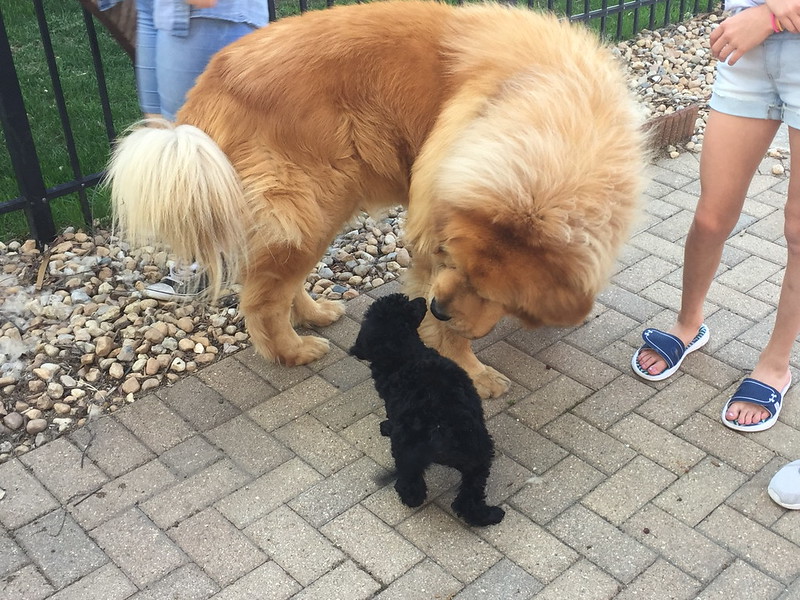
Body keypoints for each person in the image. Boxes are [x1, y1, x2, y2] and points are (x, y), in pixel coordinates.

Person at [631, 0, 800, 433]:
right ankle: (689, 324)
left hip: (763, 27)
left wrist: (772, 14)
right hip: (746, 51)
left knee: (799, 231)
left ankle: (775, 365)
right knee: (710, 217)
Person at [101, 0, 268, 299]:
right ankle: (211, 254)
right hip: (161, 9)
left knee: (204, 146)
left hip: (208, 12)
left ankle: (224, 259)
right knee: (167, 133)